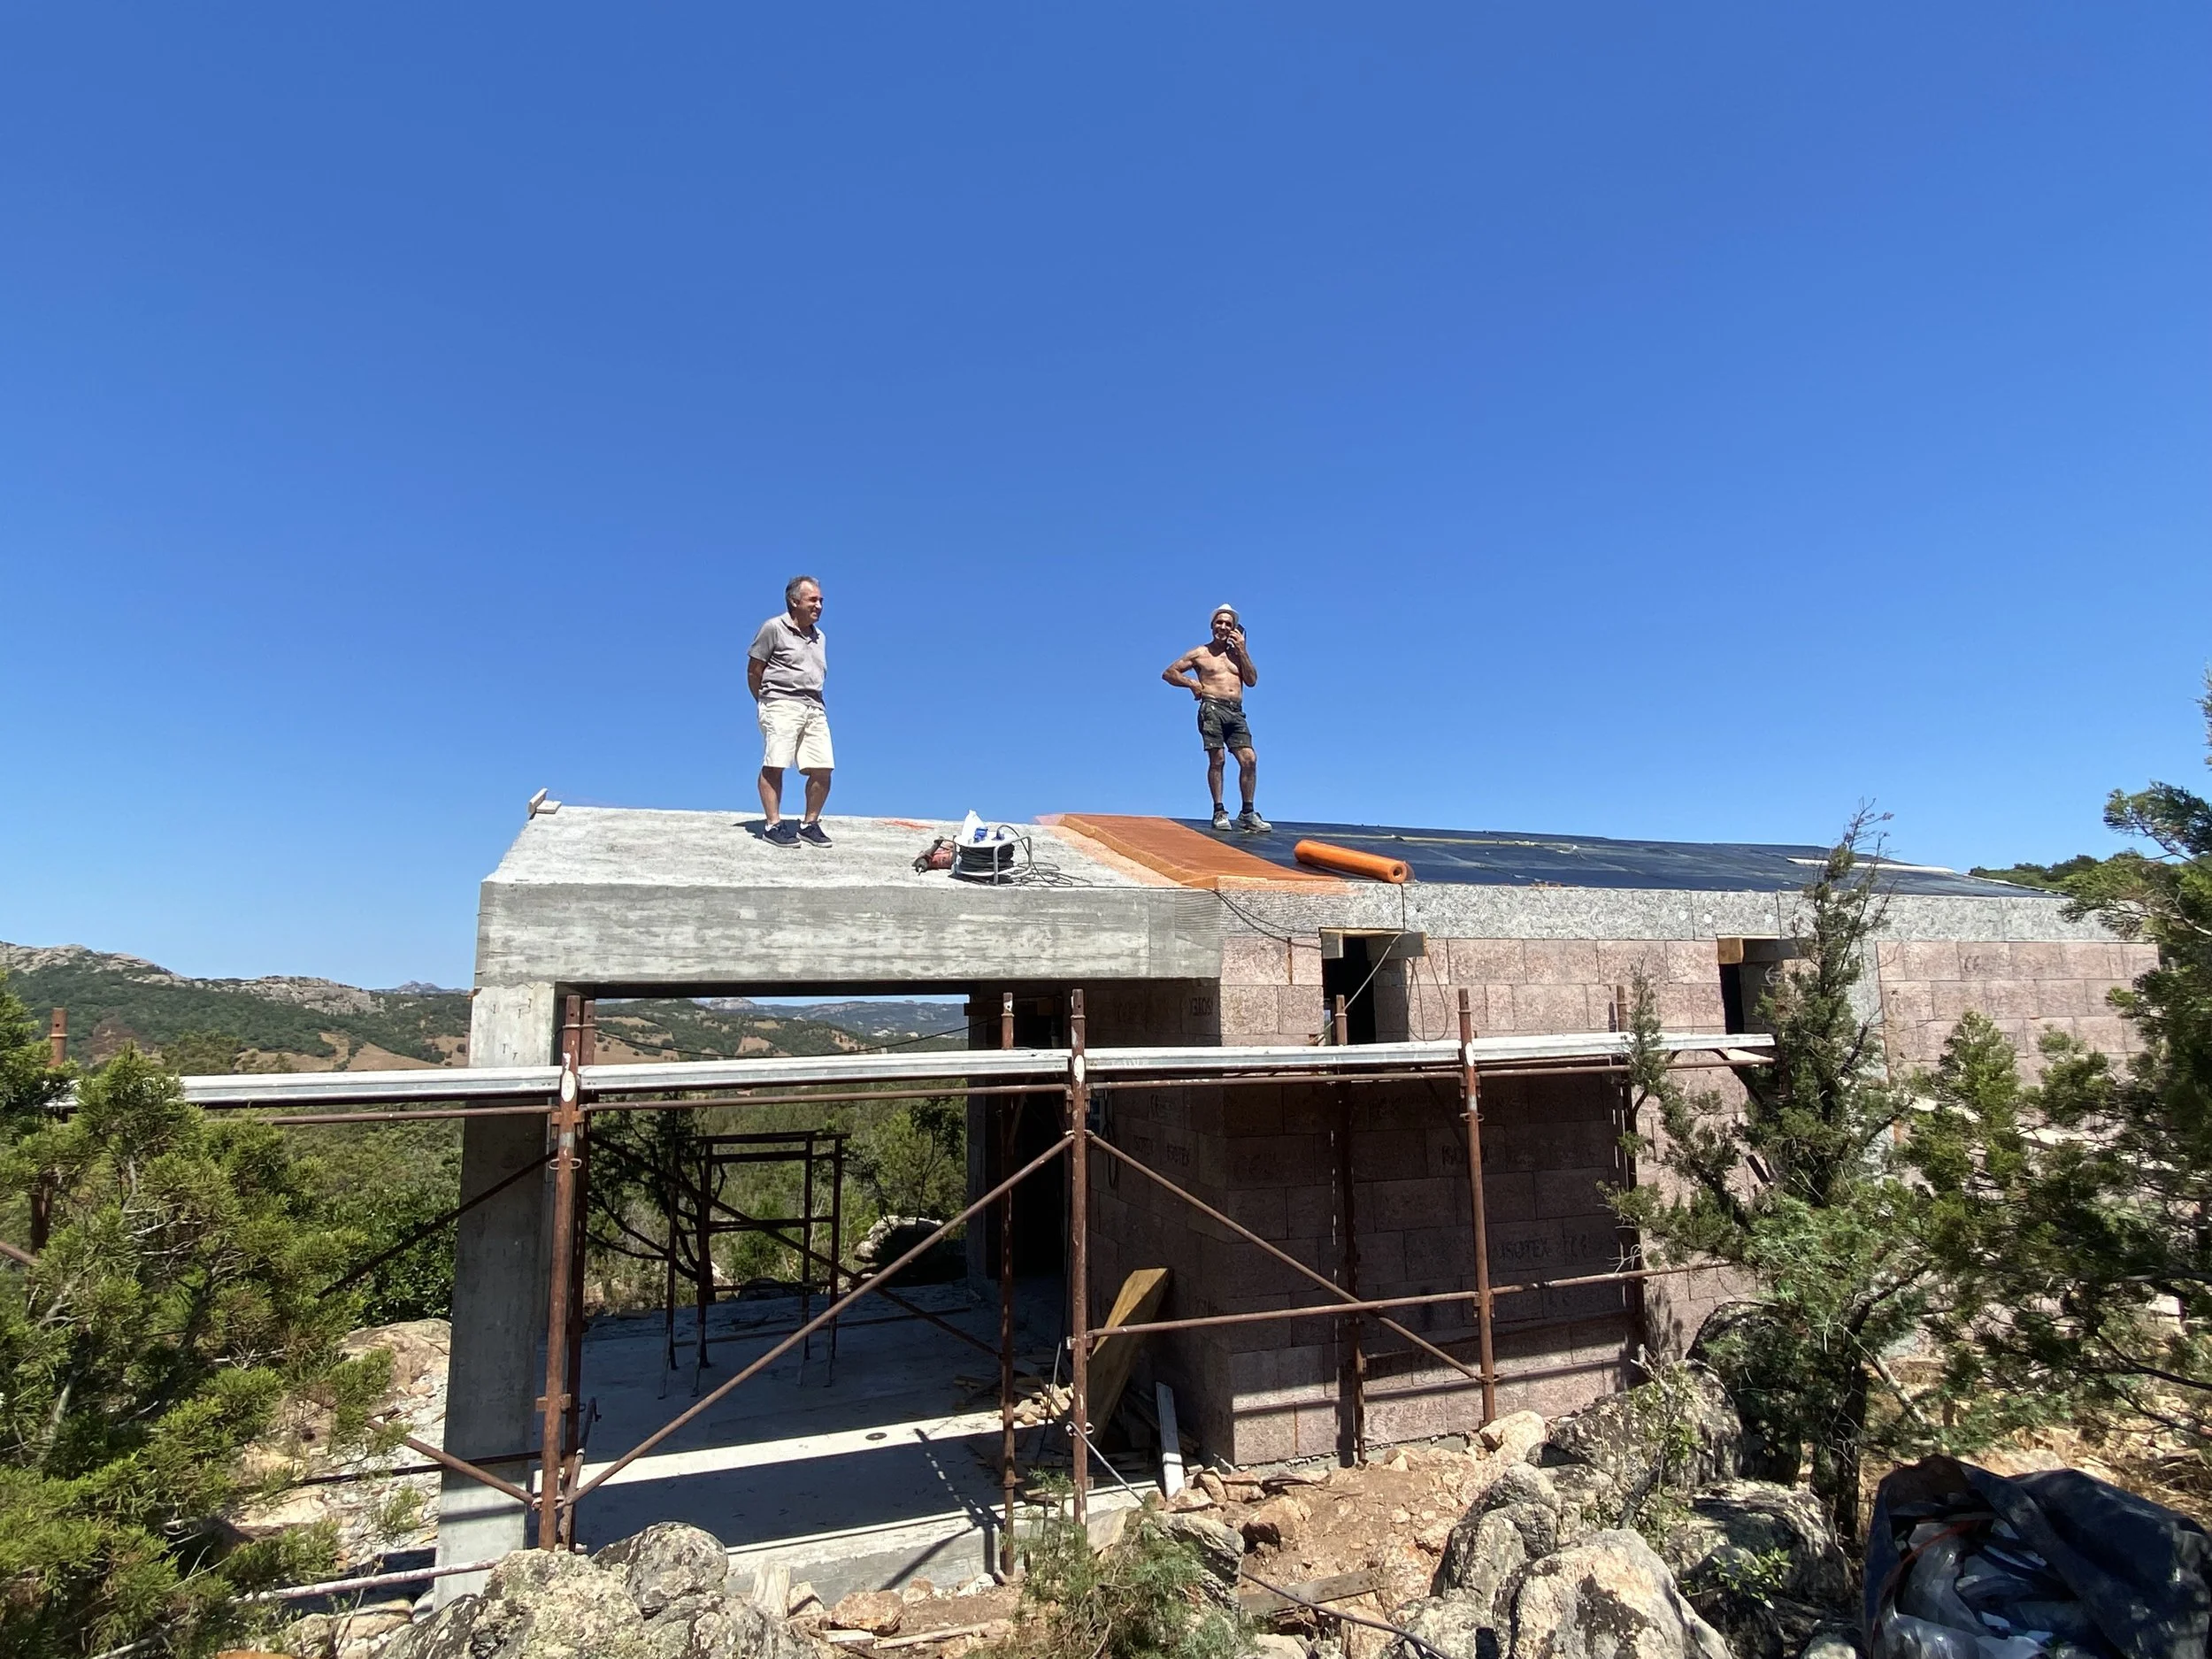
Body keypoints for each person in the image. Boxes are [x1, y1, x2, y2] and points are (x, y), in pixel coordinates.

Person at [1162, 603, 1270, 833]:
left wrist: (1242, 650)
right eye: (1219, 623)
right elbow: (1169, 673)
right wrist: (1191, 683)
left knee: (1249, 759)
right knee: (1218, 758)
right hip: (1212, 707)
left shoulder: (1237, 655)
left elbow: (1251, 681)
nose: (1223, 627)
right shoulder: (1201, 653)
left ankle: (1248, 812)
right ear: (1212, 626)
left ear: (1235, 629)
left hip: (1235, 711)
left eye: (1228, 624)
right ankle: (1219, 810)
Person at [748, 575, 833, 846]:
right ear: (795, 601)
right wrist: (765, 702)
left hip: (814, 705)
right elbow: (754, 669)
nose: (819, 605)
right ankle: (773, 825)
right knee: (776, 763)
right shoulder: (773, 628)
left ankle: (809, 824)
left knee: (823, 767)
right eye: (813, 600)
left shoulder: (820, 637)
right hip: (780, 701)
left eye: (821, 600)